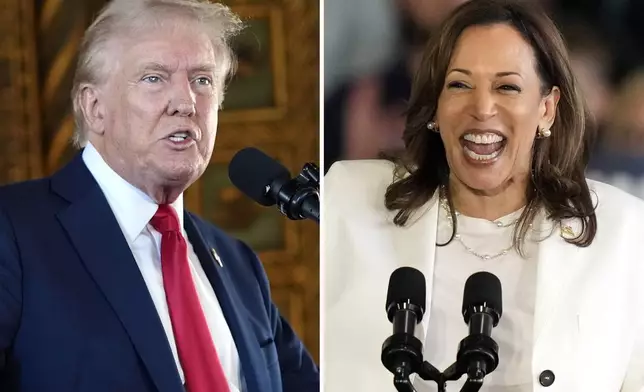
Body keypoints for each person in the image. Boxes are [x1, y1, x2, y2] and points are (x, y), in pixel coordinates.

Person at [323, 0, 644, 391]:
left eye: (507, 87)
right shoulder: (350, 203)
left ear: (547, 108)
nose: (482, 108)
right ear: (435, 109)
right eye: (459, 84)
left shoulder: (622, 231)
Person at [0, 1, 319, 391]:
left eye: (202, 80)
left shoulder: (239, 266)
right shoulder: (14, 233)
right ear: (94, 106)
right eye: (154, 78)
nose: (185, 103)